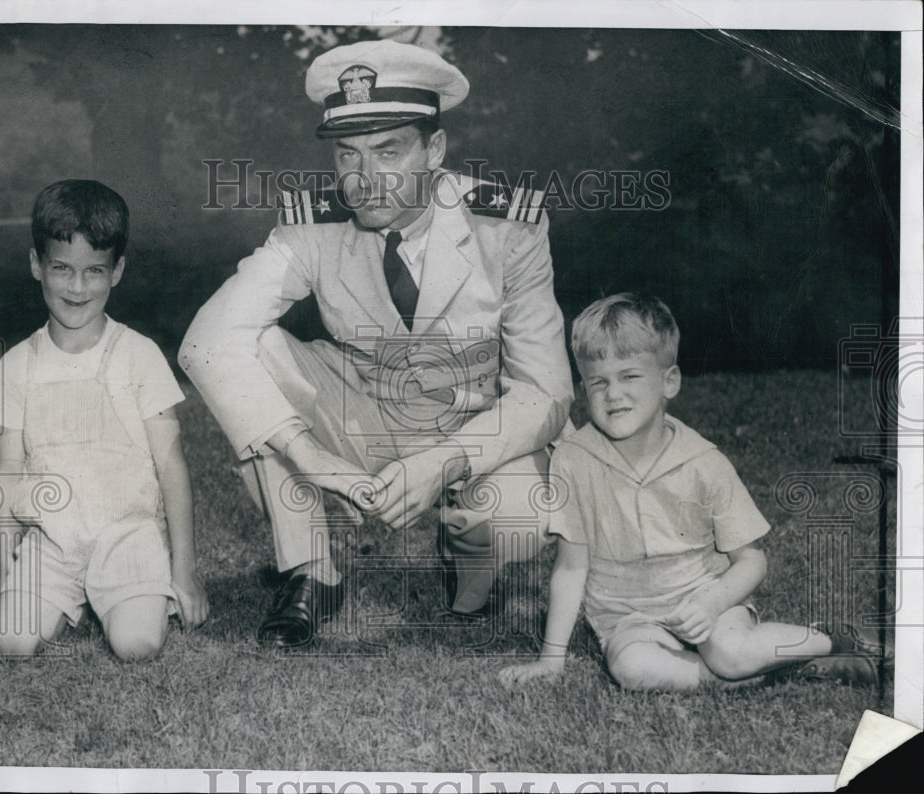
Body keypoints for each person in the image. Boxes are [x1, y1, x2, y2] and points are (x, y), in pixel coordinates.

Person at [179, 39, 573, 645]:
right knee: (251, 351)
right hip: (366, 416)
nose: (363, 181)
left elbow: (546, 392)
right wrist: (307, 457)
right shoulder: (311, 225)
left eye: (388, 152)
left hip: (474, 424)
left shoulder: (506, 227)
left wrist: (442, 463)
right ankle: (312, 568)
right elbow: (205, 342)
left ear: (434, 149)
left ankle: (467, 553)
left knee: (517, 518)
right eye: (348, 155)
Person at [499, 293, 887, 691]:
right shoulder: (572, 459)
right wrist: (551, 660)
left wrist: (712, 602)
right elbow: (571, 566)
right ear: (583, 388)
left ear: (670, 381)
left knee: (730, 651)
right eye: (599, 381)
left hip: (708, 599)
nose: (612, 393)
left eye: (630, 376)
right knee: (634, 669)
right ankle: (755, 678)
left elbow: (751, 561)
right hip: (630, 618)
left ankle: (834, 640)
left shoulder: (704, 461)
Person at [0, 179, 209, 660]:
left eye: (94, 271)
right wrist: (5, 578)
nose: (77, 287)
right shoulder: (18, 364)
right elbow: (7, 471)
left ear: (117, 271)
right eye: (61, 269)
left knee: (136, 644)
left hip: (127, 534)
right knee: (11, 642)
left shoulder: (138, 355)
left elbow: (172, 466)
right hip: (53, 540)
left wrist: (184, 571)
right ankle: (58, 600)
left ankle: (120, 597)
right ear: (36, 265)